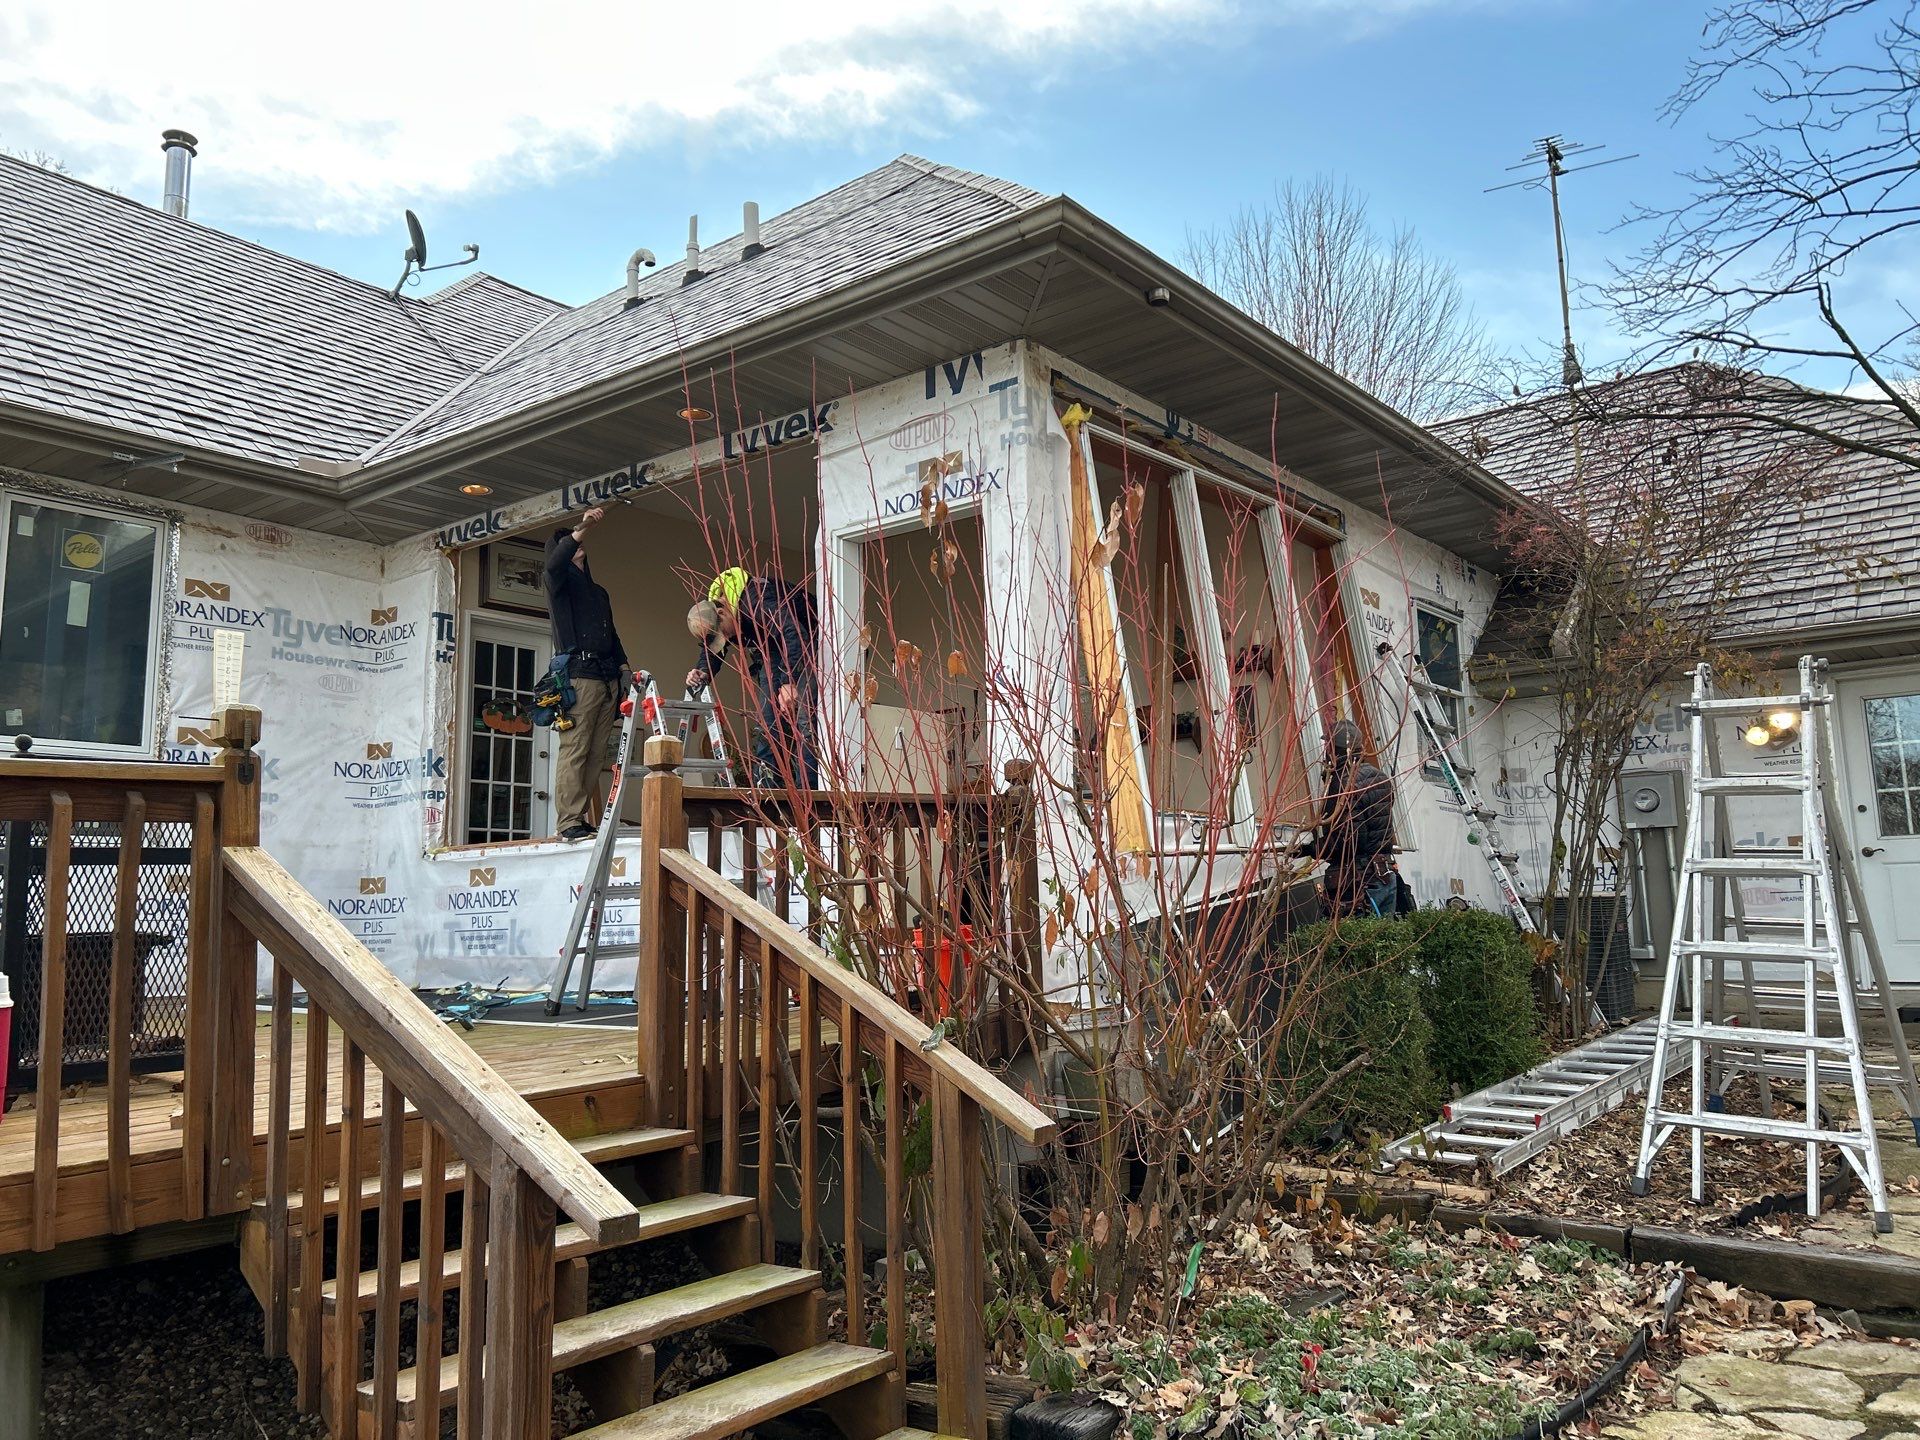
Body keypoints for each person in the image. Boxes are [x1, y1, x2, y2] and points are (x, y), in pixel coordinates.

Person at [686, 566, 818, 788]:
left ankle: (811, 793)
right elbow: (714, 648)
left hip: (810, 639)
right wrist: (703, 671)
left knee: (804, 716)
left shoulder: (757, 600)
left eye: (724, 633)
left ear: (722, 612)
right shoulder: (717, 613)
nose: (726, 638)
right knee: (768, 721)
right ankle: (767, 789)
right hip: (773, 649)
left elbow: (793, 633)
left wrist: (790, 681)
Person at [545, 508, 627, 841]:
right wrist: (583, 527)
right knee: (575, 748)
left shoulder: (598, 592)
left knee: (595, 752)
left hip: (605, 675)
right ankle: (568, 822)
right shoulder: (557, 582)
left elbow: (613, 633)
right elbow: (553, 563)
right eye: (564, 541)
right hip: (579, 674)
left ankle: (579, 818)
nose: (572, 543)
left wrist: (624, 668)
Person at [1306, 719, 1398, 919]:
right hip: (1384, 875)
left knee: (1351, 947)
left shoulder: (1343, 784)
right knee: (1384, 944)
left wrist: (1309, 849)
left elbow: (1347, 842)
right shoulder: (1379, 776)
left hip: (1357, 883)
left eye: (1328, 747)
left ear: (1334, 750)